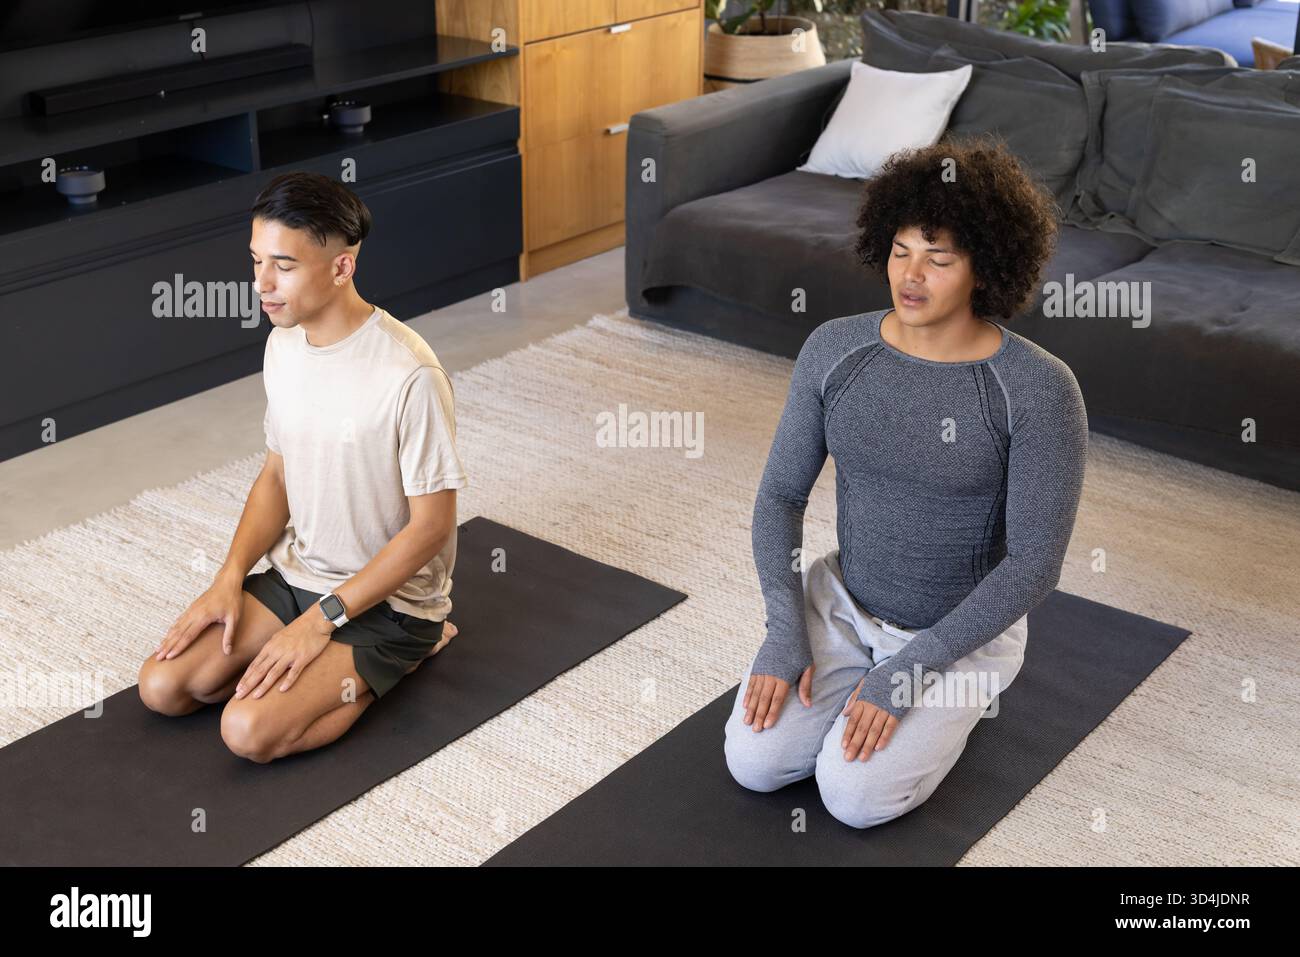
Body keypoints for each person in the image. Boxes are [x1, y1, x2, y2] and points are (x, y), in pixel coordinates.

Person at [724, 136, 1088, 828]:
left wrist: (912, 669)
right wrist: (783, 628)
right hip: (844, 601)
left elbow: (1037, 564)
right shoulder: (834, 350)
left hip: (962, 632)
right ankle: (855, 671)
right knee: (755, 761)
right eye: (900, 251)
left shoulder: (1040, 389)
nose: (911, 275)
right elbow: (780, 496)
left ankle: (965, 694)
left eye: (939, 258)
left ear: (986, 266)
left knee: (854, 797)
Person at [137, 171, 469, 763]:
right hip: (300, 575)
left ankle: (413, 652)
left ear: (341, 268)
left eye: (283, 266)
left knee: (248, 732)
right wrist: (227, 577)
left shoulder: (410, 376)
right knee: (164, 687)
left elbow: (433, 529)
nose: (261, 283)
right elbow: (277, 476)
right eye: (256, 260)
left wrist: (322, 623)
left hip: (391, 605)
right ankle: (318, 648)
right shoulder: (283, 345)